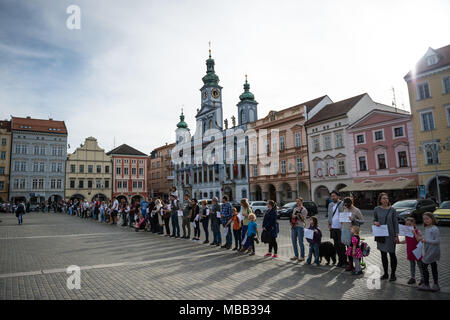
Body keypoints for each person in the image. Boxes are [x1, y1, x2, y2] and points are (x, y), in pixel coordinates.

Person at [374, 192, 399, 281]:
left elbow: (396, 223)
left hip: (391, 235)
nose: (385, 200)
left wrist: (396, 235)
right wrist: (375, 223)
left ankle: (393, 274)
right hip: (381, 234)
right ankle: (385, 273)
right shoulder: (376, 209)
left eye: (387, 198)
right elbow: (374, 220)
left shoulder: (392, 210)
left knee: (392, 254)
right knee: (383, 255)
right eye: (383, 198)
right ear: (380, 200)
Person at [417, 212, 440, 292]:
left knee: (424, 265)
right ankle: (435, 284)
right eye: (424, 219)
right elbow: (427, 238)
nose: (426, 220)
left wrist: (425, 240)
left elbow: (437, 241)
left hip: (433, 251)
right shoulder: (427, 228)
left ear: (432, 218)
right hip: (428, 250)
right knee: (433, 266)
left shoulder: (435, 229)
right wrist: (421, 238)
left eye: (427, 218)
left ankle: (427, 284)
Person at [341, 197, 364, 272]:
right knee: (349, 249)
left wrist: (354, 219)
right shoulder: (345, 209)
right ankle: (350, 265)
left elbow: (362, 221)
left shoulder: (356, 210)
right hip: (346, 232)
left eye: (348, 205)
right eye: (345, 205)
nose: (347, 206)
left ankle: (357, 265)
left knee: (356, 249)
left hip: (354, 234)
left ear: (351, 203)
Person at [399, 217, 424, 285]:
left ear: (414, 224)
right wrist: (399, 242)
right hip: (410, 250)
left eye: (410, 224)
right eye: (407, 224)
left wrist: (414, 233)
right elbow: (406, 240)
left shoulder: (417, 231)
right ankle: (412, 278)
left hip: (416, 250)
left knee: (420, 265)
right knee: (412, 265)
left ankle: (423, 278)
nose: (408, 226)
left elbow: (419, 239)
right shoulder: (407, 232)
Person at [327, 191, 346, 268]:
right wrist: (329, 223)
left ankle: (344, 261)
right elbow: (329, 215)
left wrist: (343, 225)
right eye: (332, 196)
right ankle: (340, 261)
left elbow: (345, 214)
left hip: (340, 228)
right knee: (336, 245)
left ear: (338, 196)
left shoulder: (342, 203)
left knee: (342, 245)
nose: (333, 197)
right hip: (333, 228)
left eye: (334, 196)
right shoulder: (330, 205)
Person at [290, 197, 308, 262]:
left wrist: (297, 216)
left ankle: (302, 256)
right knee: (294, 241)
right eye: (296, 201)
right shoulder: (295, 208)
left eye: (299, 201)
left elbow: (303, 219)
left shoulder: (304, 210)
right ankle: (296, 255)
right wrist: (292, 221)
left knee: (300, 242)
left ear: (301, 202)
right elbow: (292, 217)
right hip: (294, 226)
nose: (297, 202)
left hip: (300, 227)